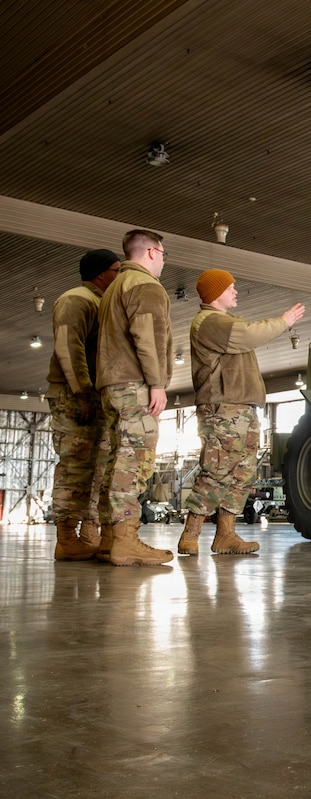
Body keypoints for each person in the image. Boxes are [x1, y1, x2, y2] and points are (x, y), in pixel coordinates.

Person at [176, 269, 304, 556]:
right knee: (217, 469)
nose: (235, 291)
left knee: (242, 473)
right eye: (230, 287)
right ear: (215, 293)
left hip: (241, 408)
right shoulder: (210, 322)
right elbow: (248, 336)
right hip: (223, 407)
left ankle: (226, 535)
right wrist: (284, 321)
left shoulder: (226, 322)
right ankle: (191, 533)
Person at [96, 229, 175, 567]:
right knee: (134, 461)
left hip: (114, 384)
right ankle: (125, 540)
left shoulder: (115, 286)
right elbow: (147, 336)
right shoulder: (145, 285)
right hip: (134, 384)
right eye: (164, 256)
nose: (163, 263)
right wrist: (157, 383)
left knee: (118, 458)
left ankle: (112, 538)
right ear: (154, 252)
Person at [46, 249, 122, 560]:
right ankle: (66, 537)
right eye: (116, 270)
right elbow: (68, 347)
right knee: (75, 465)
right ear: (101, 273)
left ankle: (87, 531)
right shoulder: (76, 299)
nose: (120, 276)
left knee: (97, 466)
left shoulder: (101, 303)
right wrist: (81, 391)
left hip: (93, 394)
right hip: (75, 394)